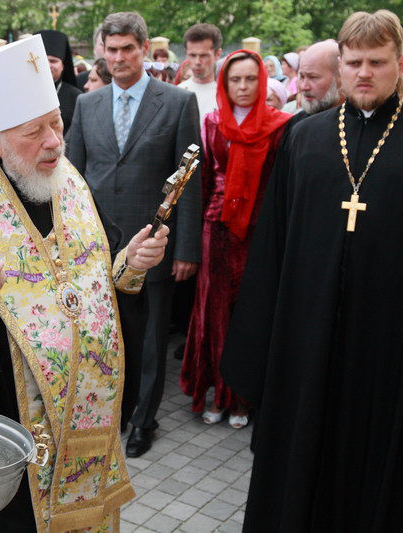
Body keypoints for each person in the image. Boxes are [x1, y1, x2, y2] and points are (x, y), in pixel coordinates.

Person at [0, 35, 169, 532]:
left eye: (57, 124)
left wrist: (132, 264)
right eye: (35, 131)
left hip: (87, 414)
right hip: (15, 417)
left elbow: (99, 283)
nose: (54, 141)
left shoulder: (68, 182)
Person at [220, 10, 403, 531]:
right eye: (354, 63)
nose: (364, 73)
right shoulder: (304, 139)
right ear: (340, 67)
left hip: (385, 350)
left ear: (399, 65)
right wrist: (258, 349)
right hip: (307, 340)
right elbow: (270, 248)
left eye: (377, 62)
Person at [67, 11, 201, 458]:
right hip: (97, 244)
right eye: (112, 49)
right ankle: (115, 410)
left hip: (152, 245)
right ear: (101, 52)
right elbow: (73, 175)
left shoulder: (178, 102)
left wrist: (185, 249)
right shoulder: (87, 104)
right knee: (105, 332)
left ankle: (145, 418)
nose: (120, 57)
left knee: (150, 338)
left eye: (129, 49)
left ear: (145, 49)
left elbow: (191, 180)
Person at [179, 50, 290, 430]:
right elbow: (203, 182)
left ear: (263, 82)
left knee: (249, 315)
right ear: (224, 84)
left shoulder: (280, 126)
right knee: (213, 314)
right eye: (235, 80)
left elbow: (281, 188)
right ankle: (215, 393)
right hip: (216, 229)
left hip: (258, 234)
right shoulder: (212, 123)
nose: (243, 87)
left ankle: (241, 398)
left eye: (250, 79)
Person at [35, 30, 83, 133]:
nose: (47, 65)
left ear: (63, 66)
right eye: (43, 60)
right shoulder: (22, 92)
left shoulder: (77, 97)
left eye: (53, 61)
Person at [292, 39, 343, 127]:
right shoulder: (296, 125)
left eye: (313, 77)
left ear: (340, 75)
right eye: (302, 77)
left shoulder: (363, 120)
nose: (304, 87)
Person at [179, 23, 223, 124]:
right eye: (192, 55)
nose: (197, 62)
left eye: (204, 56)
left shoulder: (227, 95)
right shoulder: (177, 93)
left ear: (217, 54)